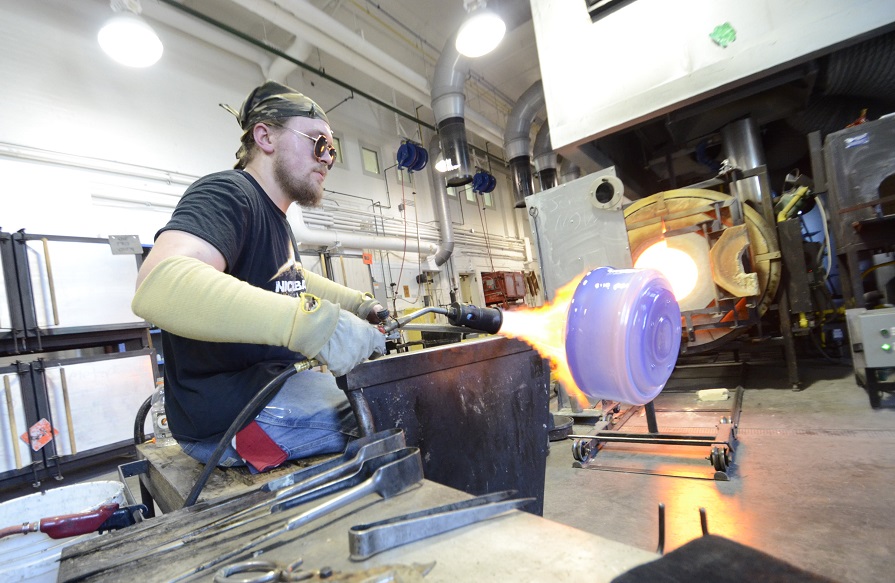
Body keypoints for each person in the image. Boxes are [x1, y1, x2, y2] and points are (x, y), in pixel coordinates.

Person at [132, 80, 386, 472]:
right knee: (392, 410)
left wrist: (357, 304)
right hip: (231, 418)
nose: (327, 159)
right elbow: (159, 284)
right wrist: (313, 325)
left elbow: (289, 277)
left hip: (270, 391)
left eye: (332, 151)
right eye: (319, 143)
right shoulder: (228, 192)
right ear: (264, 136)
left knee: (384, 391)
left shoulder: (276, 220)